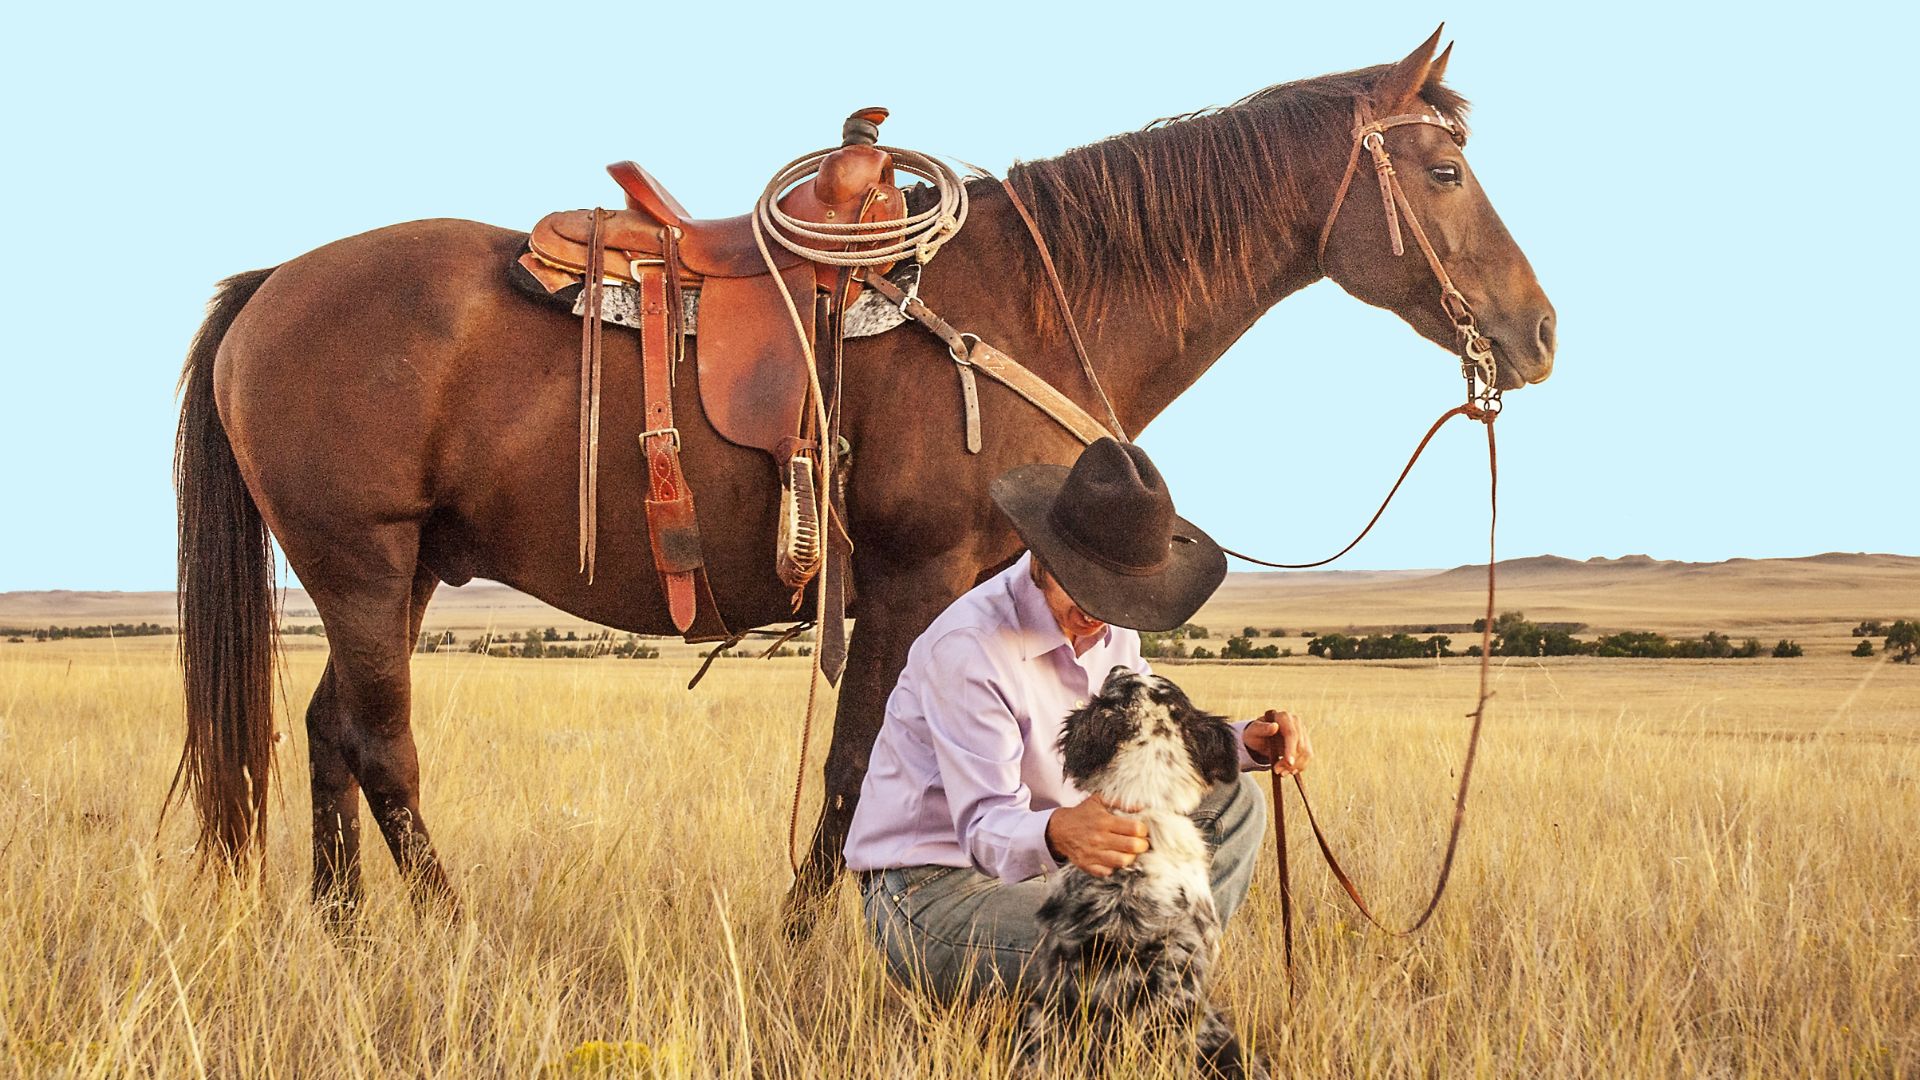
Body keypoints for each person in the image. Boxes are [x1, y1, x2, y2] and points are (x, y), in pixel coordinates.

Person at [845, 438, 1312, 1001]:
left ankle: (1163, 980)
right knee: (1124, 951)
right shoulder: (971, 648)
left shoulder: (1113, 627)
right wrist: (1058, 832)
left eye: (1117, 596)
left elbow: (1143, 741)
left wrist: (1247, 744)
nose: (1097, 614)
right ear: (1043, 554)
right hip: (933, 892)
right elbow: (984, 830)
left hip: (1054, 862)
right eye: (1085, 586)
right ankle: (1144, 994)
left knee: (1237, 803)